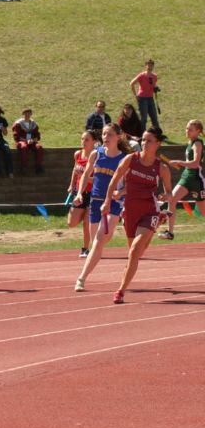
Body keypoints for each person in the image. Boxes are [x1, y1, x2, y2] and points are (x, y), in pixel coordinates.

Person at [106, 127, 172, 304]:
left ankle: (120, 291)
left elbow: (169, 192)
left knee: (135, 251)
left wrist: (165, 197)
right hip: (130, 210)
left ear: (157, 144)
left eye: (149, 140)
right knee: (134, 253)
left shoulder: (161, 168)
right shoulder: (130, 159)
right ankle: (153, 228)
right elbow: (114, 179)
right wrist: (107, 201)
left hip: (149, 210)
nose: (144, 143)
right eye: (143, 140)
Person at [74, 123, 131, 292]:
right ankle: (107, 235)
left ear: (118, 137)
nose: (106, 137)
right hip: (96, 201)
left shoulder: (125, 159)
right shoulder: (96, 154)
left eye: (110, 134)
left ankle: (81, 278)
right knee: (96, 243)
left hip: (113, 203)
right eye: (104, 134)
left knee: (99, 241)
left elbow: (130, 185)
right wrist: (79, 193)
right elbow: (86, 174)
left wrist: (119, 193)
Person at [160, 120, 205, 240]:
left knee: (202, 211)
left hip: (196, 180)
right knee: (172, 199)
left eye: (190, 129)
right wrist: (182, 164)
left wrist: (179, 162)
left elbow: (195, 164)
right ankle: (170, 232)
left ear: (198, 131)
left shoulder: (197, 144)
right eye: (186, 128)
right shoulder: (190, 143)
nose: (187, 131)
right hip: (186, 177)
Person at [67, 130, 95, 259]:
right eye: (82, 139)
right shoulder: (77, 154)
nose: (83, 142)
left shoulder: (96, 156)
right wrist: (72, 184)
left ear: (94, 142)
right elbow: (75, 169)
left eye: (87, 139)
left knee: (86, 223)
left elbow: (99, 178)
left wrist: (85, 177)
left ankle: (86, 248)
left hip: (93, 193)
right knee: (71, 223)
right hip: (79, 193)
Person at [129, 59, 161, 131]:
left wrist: (156, 88)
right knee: (144, 118)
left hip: (150, 98)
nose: (150, 66)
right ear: (146, 66)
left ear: (153, 66)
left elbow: (153, 85)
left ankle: (157, 133)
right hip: (142, 98)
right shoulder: (142, 75)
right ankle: (142, 133)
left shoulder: (154, 76)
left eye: (151, 65)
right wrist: (136, 95)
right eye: (148, 65)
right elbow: (132, 83)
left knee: (154, 117)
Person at [12, 108, 44, 174]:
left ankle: (39, 167)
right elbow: (16, 137)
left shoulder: (33, 124)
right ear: (23, 114)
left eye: (29, 113)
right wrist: (26, 140)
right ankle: (24, 167)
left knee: (39, 147)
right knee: (23, 147)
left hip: (31, 141)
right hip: (21, 141)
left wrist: (33, 140)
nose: (27, 115)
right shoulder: (18, 123)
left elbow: (37, 136)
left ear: (31, 114)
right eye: (26, 113)